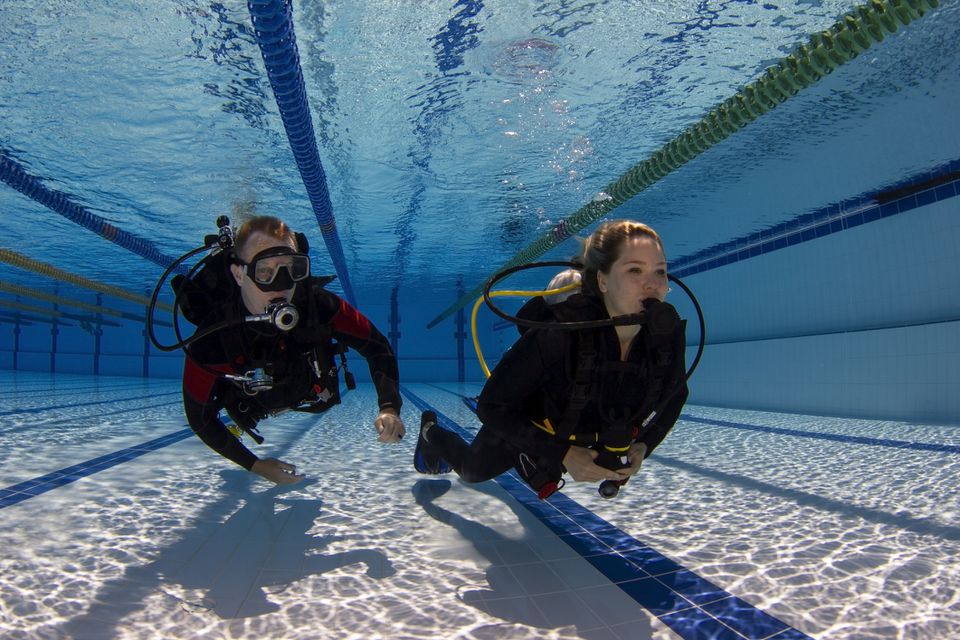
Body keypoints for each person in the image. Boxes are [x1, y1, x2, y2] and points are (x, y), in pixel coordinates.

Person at [414, 220, 688, 498]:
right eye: (635, 270)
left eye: (661, 271)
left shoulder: (665, 336)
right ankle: (430, 432)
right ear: (603, 280)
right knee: (474, 470)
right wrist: (564, 454)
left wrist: (645, 444)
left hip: (583, 426)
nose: (654, 285)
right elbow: (492, 406)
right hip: (534, 419)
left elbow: (676, 393)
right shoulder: (564, 330)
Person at [181, 216, 404, 485]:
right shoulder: (213, 338)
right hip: (250, 402)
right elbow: (200, 418)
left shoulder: (316, 305)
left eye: (291, 268)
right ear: (239, 275)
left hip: (308, 387)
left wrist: (389, 407)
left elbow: (378, 348)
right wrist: (255, 465)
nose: (281, 285)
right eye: (265, 271)